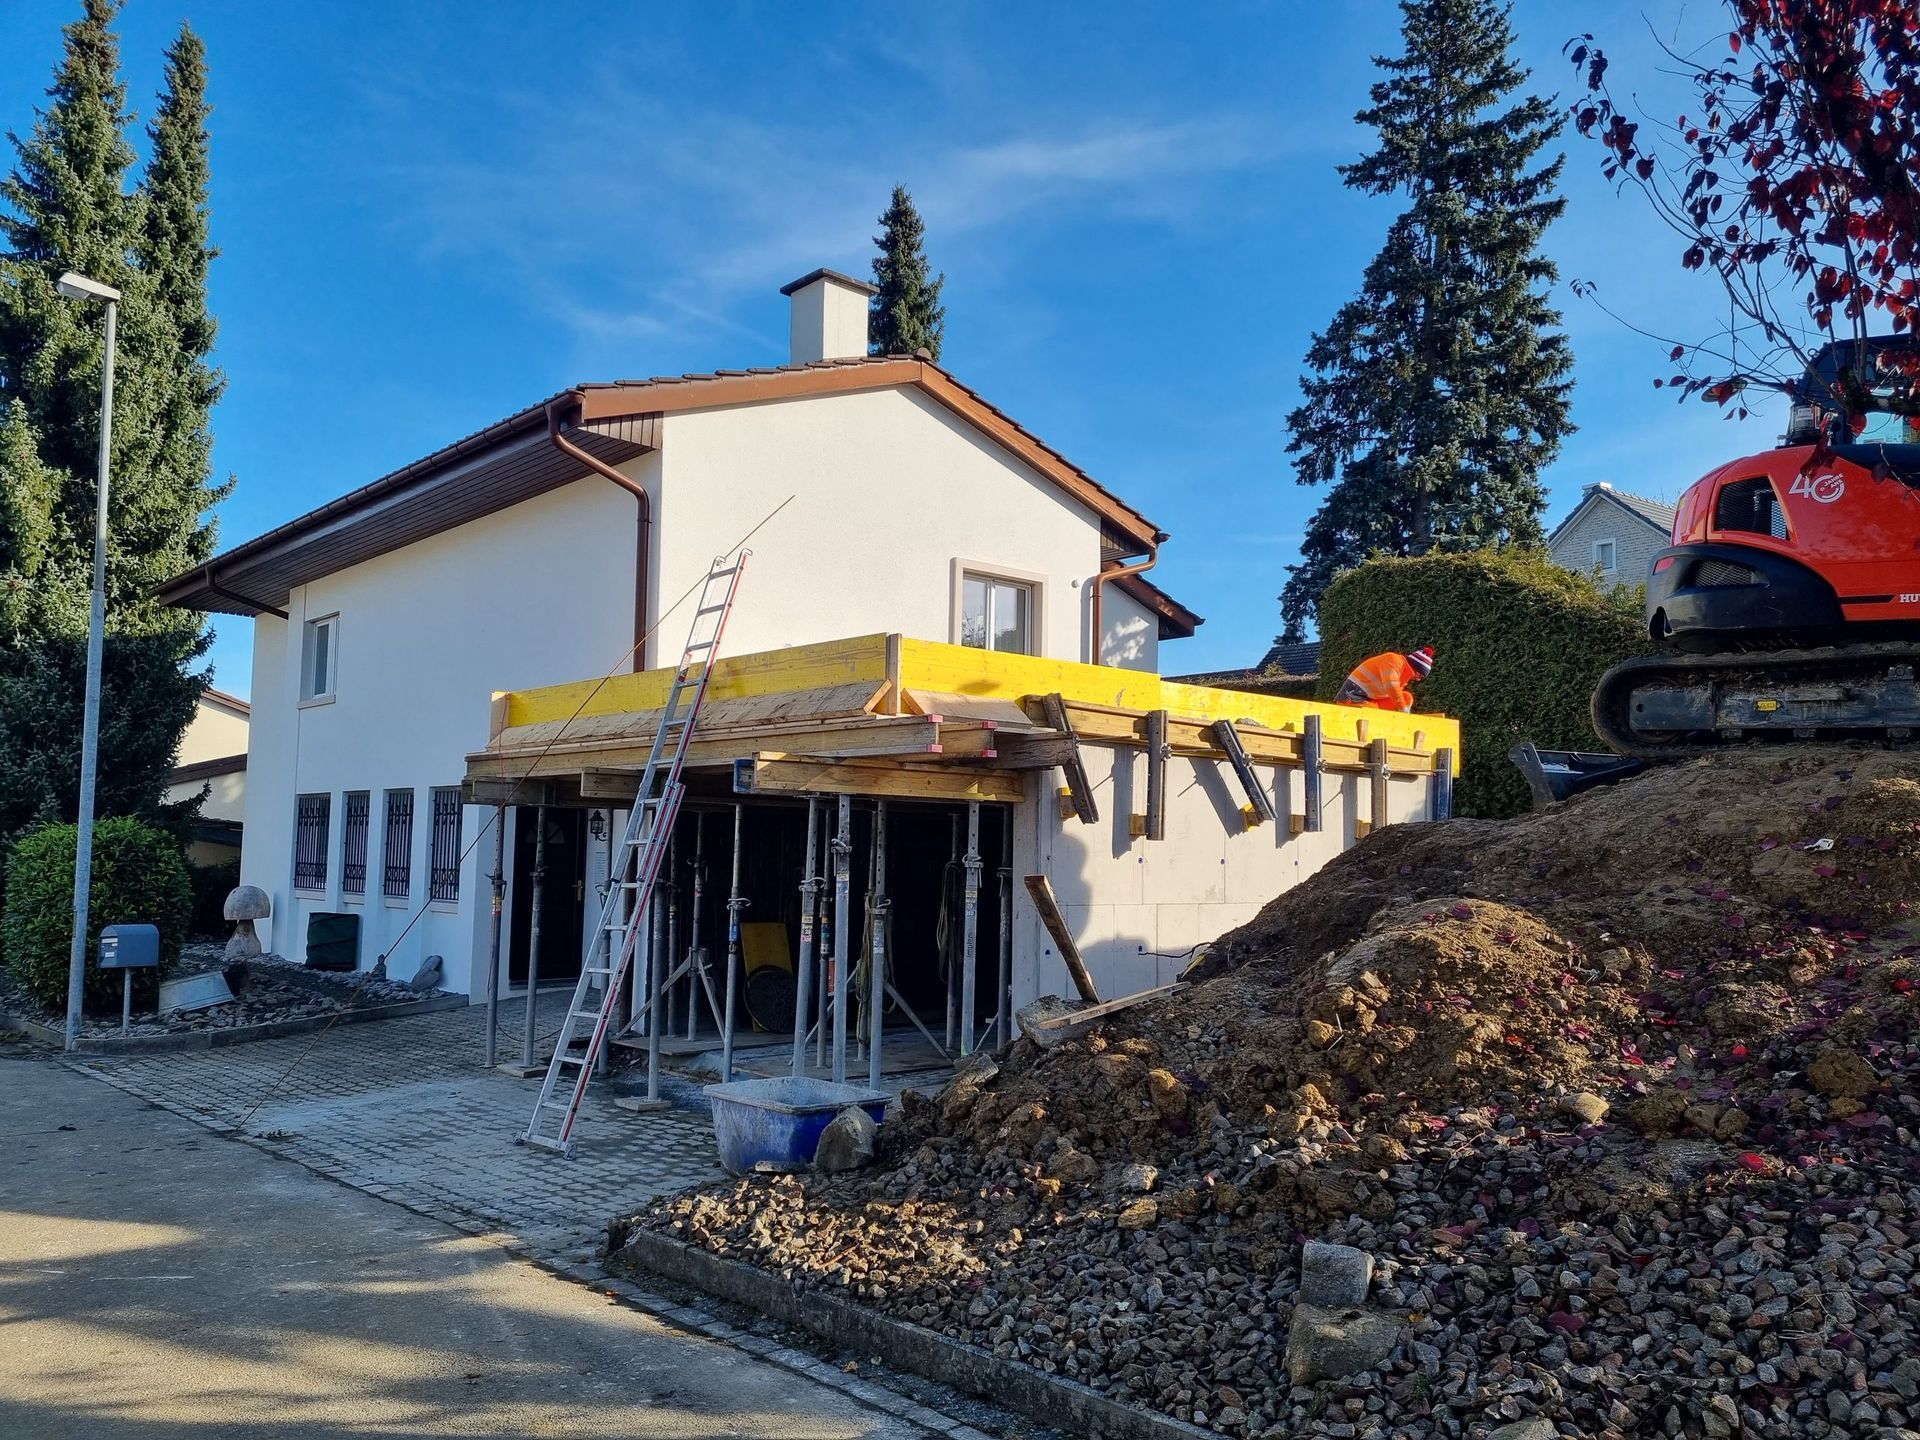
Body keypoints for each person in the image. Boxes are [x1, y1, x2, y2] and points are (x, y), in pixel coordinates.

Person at [1335, 646, 1433, 712]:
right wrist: (1403, 710)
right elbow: (1391, 685)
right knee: (1374, 714)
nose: (1418, 679)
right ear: (1417, 670)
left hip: (1370, 700)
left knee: (1406, 698)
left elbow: (1394, 694)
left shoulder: (1402, 673)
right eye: (1421, 676)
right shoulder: (1394, 660)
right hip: (1352, 696)